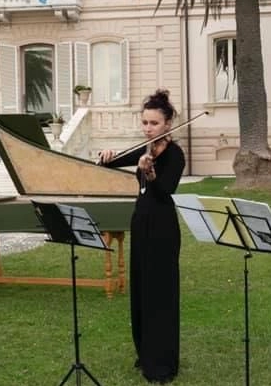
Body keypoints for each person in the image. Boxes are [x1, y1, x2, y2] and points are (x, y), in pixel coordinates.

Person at [98, 89, 185, 384]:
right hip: (141, 225)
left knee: (161, 294)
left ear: (168, 123)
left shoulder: (174, 154)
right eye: (145, 123)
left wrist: (150, 175)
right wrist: (106, 156)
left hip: (162, 229)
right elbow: (109, 164)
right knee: (142, 292)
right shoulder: (146, 149)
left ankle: (162, 363)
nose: (148, 128)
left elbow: (166, 192)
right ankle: (146, 352)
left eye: (154, 123)